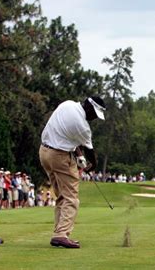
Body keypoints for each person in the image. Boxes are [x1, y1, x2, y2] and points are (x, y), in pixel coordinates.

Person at [39, 96, 106, 248]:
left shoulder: (67, 105)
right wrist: (93, 164)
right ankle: (62, 235)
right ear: (89, 107)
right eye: (94, 114)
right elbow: (90, 150)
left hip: (44, 152)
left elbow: (64, 134)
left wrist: (78, 155)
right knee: (71, 197)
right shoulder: (83, 126)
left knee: (62, 196)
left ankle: (58, 233)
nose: (94, 118)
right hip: (59, 157)